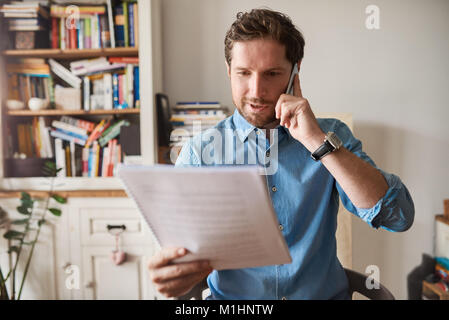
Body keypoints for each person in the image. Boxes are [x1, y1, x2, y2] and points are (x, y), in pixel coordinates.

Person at [147, 8, 414, 300]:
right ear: (228, 71)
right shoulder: (200, 153)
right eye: (243, 73)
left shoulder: (332, 137)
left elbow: (397, 216)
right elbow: (179, 254)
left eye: (272, 74)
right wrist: (176, 270)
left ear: (295, 72)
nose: (256, 91)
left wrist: (316, 142)